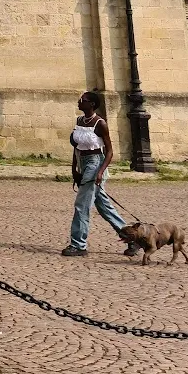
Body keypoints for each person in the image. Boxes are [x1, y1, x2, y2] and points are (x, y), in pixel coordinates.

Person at [62, 90, 131, 256]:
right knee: (104, 207)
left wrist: (100, 172)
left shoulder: (100, 123)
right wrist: (74, 169)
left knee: (82, 206)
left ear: (92, 104)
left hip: (95, 164)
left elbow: (110, 152)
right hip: (82, 161)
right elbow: (77, 147)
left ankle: (79, 245)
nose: (79, 102)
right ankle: (133, 238)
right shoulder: (79, 121)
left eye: (83, 100)